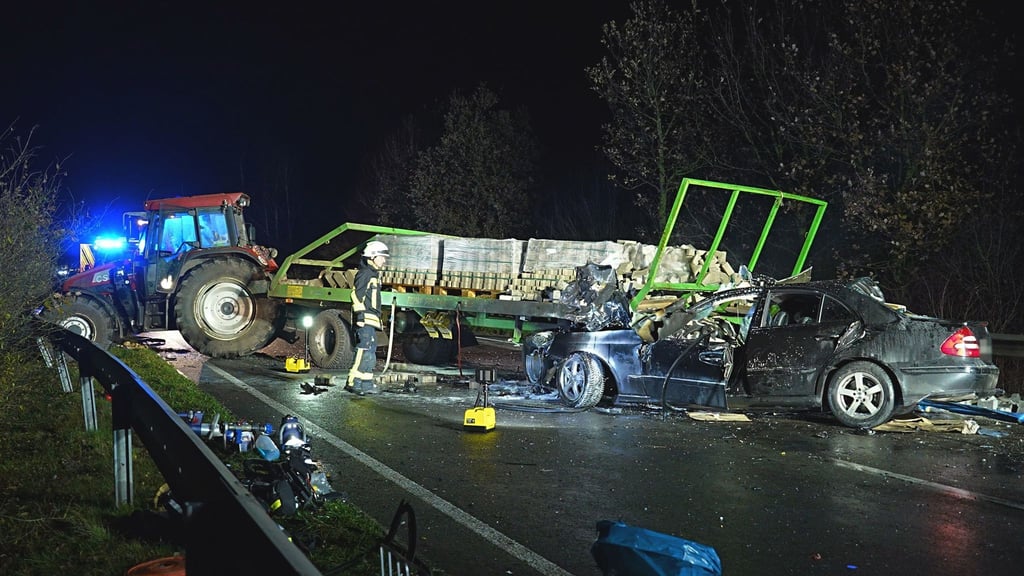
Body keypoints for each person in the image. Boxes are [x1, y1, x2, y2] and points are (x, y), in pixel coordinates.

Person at [346, 240, 389, 395]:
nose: (384, 260)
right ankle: (353, 382)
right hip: (365, 319)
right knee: (363, 350)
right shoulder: (365, 274)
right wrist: (360, 315)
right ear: (372, 257)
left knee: (370, 352)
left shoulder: (373, 274)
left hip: (372, 319)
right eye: (382, 257)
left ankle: (366, 384)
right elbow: (355, 295)